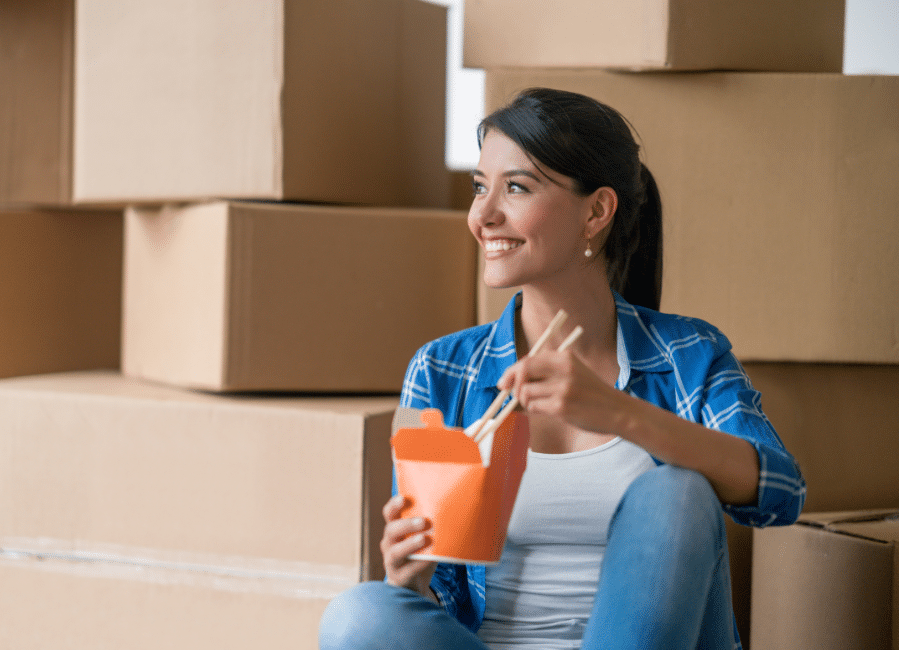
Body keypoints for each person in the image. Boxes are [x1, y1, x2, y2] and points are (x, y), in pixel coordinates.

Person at [319, 87, 805, 650]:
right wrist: (410, 579)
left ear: (596, 211)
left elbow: (781, 491)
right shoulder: (441, 371)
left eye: (516, 188)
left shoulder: (687, 353)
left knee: (675, 493)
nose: (482, 216)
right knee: (361, 615)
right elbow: (442, 600)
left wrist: (619, 412)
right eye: (480, 188)